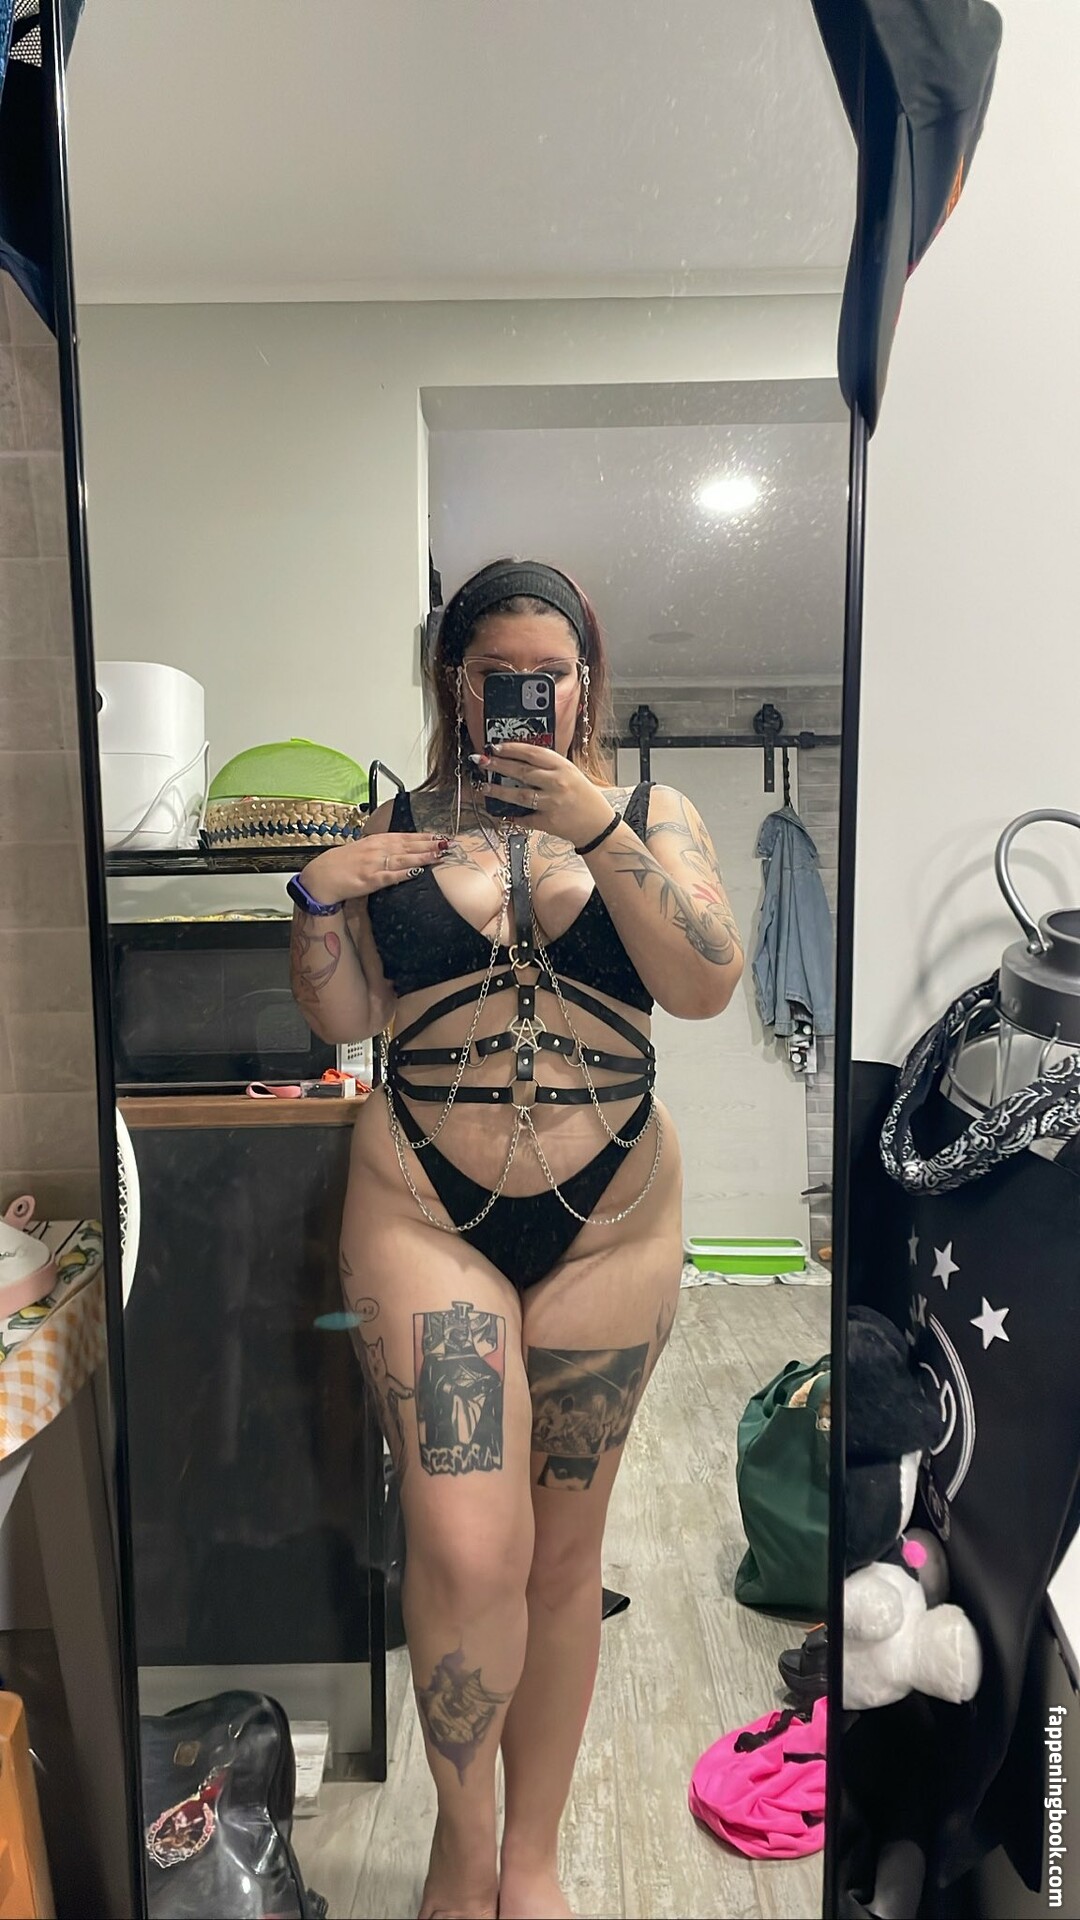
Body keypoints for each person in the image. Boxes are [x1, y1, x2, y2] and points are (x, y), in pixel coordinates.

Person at [289, 559, 742, 1920]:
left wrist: (598, 826)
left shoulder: (654, 814)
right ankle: (460, 1842)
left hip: (612, 1223)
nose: (531, 698)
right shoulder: (396, 825)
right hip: (426, 1209)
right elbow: (341, 1019)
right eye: (501, 677)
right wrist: (315, 895)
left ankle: (531, 1857)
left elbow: (706, 981)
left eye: (555, 675)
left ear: (589, 683)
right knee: (464, 1545)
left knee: (558, 1557)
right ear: (457, 683)